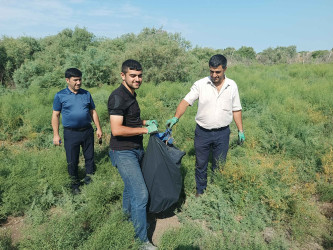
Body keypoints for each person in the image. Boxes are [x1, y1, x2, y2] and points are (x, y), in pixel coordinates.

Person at [166, 54, 245, 197]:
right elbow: (186, 101)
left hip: (223, 133)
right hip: (202, 132)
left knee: (219, 164)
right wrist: (176, 117)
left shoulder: (232, 85)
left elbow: (236, 109)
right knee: (201, 163)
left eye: (218, 72)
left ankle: (216, 191)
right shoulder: (201, 84)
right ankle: (200, 191)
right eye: (211, 71)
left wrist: (240, 130)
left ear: (225, 69)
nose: (214, 75)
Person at [107, 59, 158, 248]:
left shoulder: (130, 94)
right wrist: (145, 131)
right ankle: (141, 240)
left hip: (135, 148)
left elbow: (130, 120)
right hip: (123, 152)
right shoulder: (118, 96)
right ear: (123, 76)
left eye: (140, 75)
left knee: (130, 189)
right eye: (133, 76)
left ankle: (129, 219)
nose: (137, 79)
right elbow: (117, 130)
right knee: (140, 194)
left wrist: (144, 122)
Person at [52, 68, 102, 194]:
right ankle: (74, 184)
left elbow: (93, 112)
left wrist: (98, 128)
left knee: (89, 157)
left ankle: (90, 180)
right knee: (72, 160)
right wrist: (56, 135)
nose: (78, 83)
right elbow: (55, 115)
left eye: (80, 79)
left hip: (87, 131)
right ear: (67, 80)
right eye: (75, 80)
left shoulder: (86, 94)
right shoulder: (60, 96)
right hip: (71, 133)